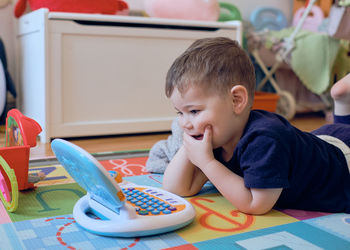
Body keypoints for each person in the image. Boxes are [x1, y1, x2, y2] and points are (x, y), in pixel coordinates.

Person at [161, 36, 350, 215]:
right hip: (321, 145)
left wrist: (207, 163)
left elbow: (255, 204)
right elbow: (178, 188)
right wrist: (190, 148)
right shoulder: (219, 136)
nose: (184, 123)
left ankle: (342, 101)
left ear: (236, 100)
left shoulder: (265, 139)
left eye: (194, 111)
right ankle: (342, 100)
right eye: (180, 112)